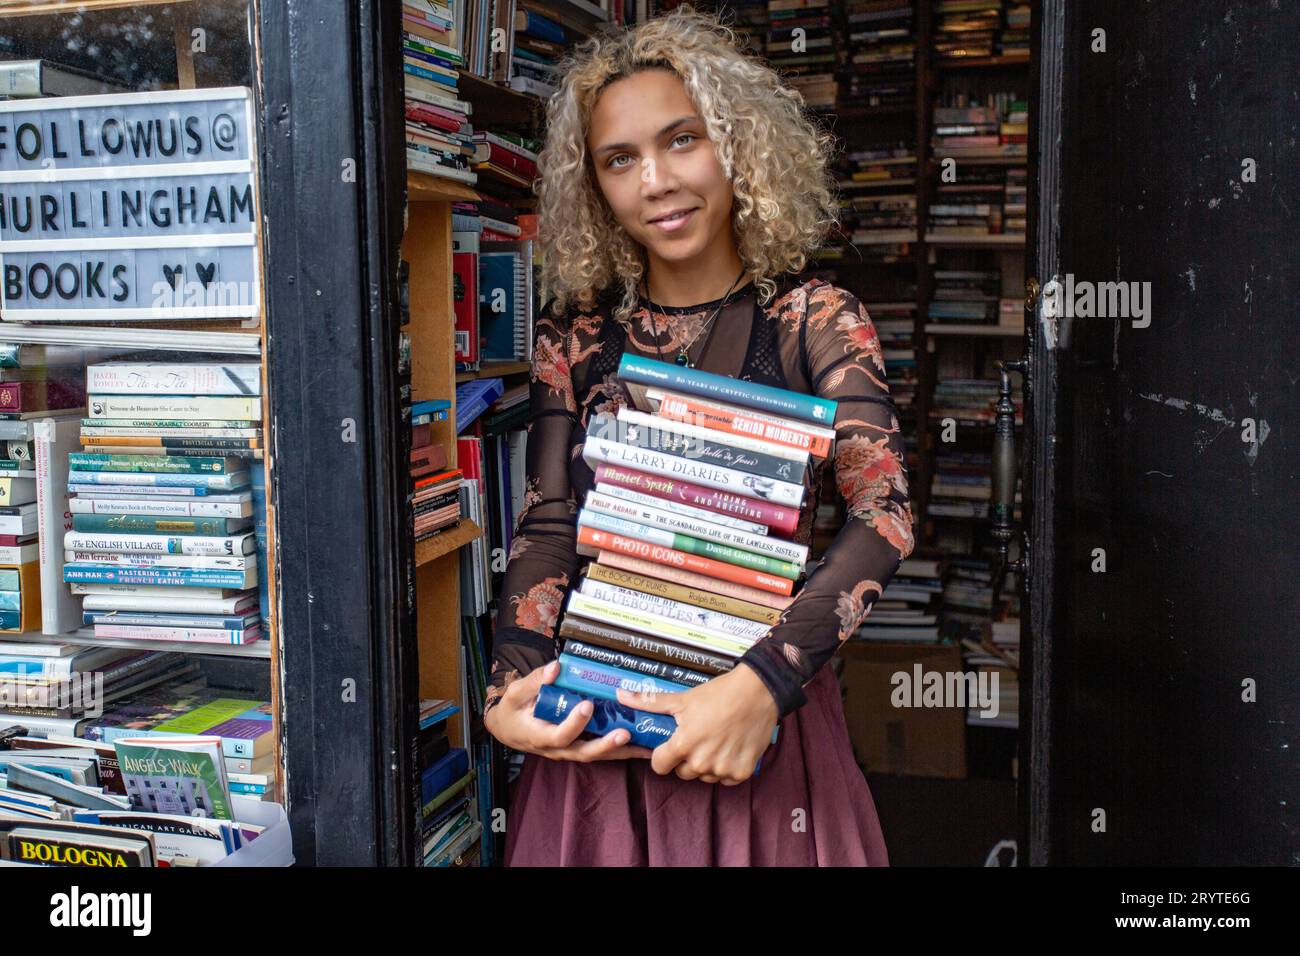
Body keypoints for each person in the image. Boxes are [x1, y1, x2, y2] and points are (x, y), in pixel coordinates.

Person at [481, 6, 915, 866]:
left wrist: (763, 685)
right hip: (595, 727)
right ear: (593, 186)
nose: (655, 180)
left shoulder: (815, 321)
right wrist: (506, 690)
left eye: (683, 140)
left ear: (737, 146)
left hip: (758, 722)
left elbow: (886, 513)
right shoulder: (573, 339)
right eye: (619, 159)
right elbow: (548, 526)